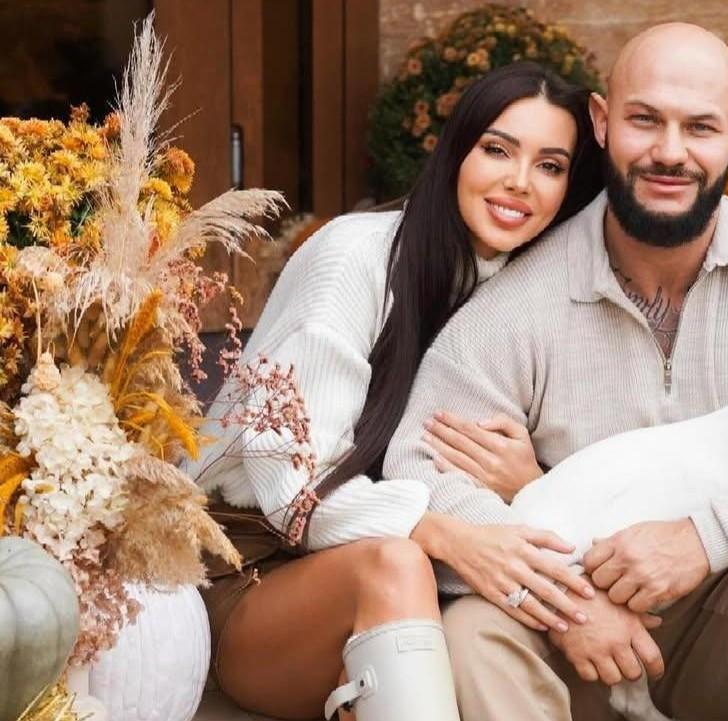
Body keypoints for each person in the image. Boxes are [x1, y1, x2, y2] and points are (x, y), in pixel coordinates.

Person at [383, 23, 728, 721]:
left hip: (726, 618)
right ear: (602, 122)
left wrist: (710, 536)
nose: (670, 152)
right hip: (573, 642)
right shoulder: (518, 304)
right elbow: (418, 471)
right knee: (470, 634)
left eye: (700, 128)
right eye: (644, 120)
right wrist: (565, 599)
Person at [189, 62, 603, 721]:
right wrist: (446, 535)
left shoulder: (530, 293)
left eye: (550, 165)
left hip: (400, 580)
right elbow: (292, 488)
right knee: (398, 564)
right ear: (455, 151)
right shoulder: (355, 259)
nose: (519, 181)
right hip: (252, 571)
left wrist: (528, 479)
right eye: (497, 150)